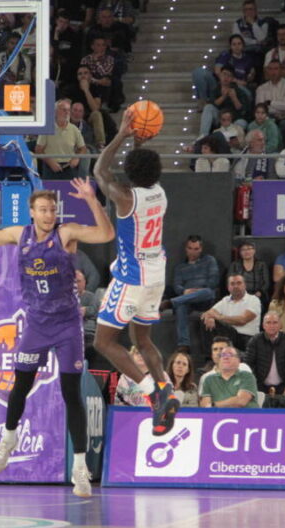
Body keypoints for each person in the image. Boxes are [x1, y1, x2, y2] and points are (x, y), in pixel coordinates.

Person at [0, 177, 113, 498]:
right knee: (20, 385)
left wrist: (92, 200)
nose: (50, 214)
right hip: (36, 325)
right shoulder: (18, 234)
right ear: (32, 212)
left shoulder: (66, 233)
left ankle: (79, 467)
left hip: (66, 326)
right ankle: (9, 438)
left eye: (53, 209)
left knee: (70, 393)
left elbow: (106, 234)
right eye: (44, 209)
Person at [91, 109, 181, 434]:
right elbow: (140, 167)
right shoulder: (161, 193)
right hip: (157, 272)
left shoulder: (125, 198)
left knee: (104, 343)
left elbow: (100, 170)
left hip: (132, 277)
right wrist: (138, 139)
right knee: (142, 338)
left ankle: (153, 395)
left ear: (130, 173)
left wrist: (121, 135)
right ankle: (166, 387)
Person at [195, 273, 262, 355]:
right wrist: (210, 317)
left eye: (239, 283)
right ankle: (210, 357)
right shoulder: (225, 300)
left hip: (246, 338)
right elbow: (208, 313)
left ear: (245, 285)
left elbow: (242, 320)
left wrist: (218, 317)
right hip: (228, 336)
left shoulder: (253, 300)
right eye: (232, 284)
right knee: (205, 319)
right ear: (228, 287)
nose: (236, 286)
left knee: (216, 321)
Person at [245, 311, 285, 400]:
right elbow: (248, 365)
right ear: (263, 325)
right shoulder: (255, 340)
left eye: (275, 322)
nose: (272, 326)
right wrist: (254, 385)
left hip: (284, 387)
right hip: (259, 386)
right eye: (268, 323)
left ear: (280, 325)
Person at [227, 239, 270, 306]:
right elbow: (230, 282)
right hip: (239, 295)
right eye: (243, 250)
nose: (246, 251)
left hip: (258, 295)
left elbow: (266, 283)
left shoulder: (261, 265)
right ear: (240, 252)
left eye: (249, 249)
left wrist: (259, 293)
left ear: (254, 251)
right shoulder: (234, 265)